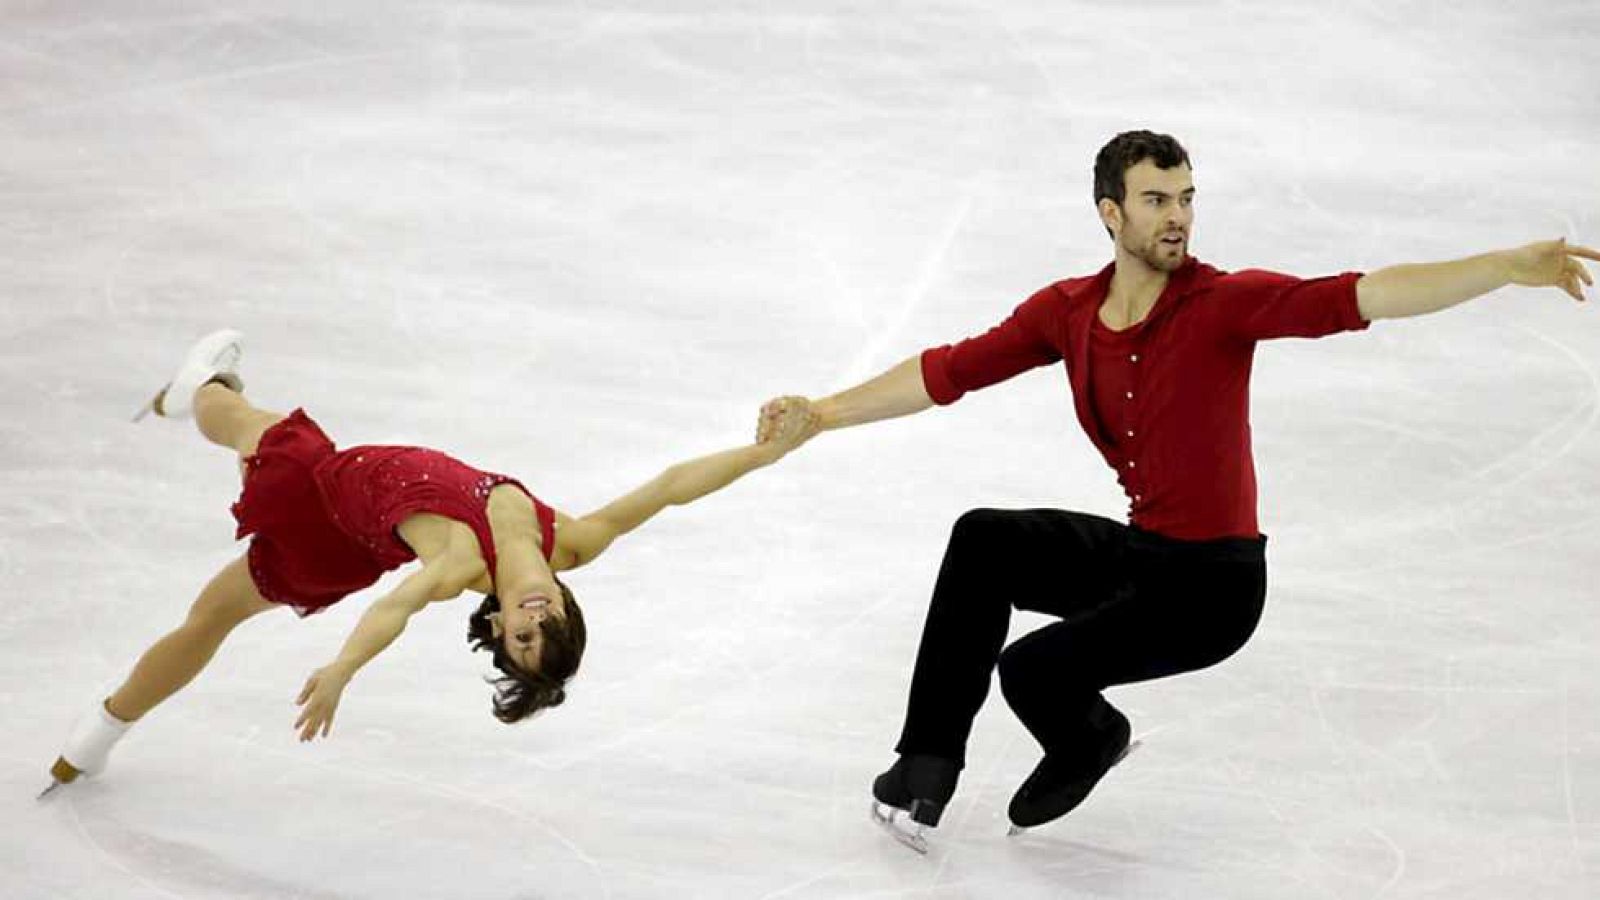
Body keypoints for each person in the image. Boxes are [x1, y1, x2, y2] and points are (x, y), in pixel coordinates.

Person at [757, 130, 1596, 851]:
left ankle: (1092, 735)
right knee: (986, 538)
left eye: (1187, 198)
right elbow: (950, 372)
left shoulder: (1226, 303)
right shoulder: (1069, 311)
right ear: (1110, 213)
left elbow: (1366, 294)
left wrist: (1505, 266)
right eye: (1156, 199)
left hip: (1214, 589)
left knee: (1030, 672)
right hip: (1142, 557)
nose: (1179, 217)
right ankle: (926, 765)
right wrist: (824, 413)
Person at [43, 329, 817, 796]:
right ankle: (94, 739)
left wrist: (343, 668)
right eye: (546, 632)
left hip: (322, 496)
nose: (533, 623)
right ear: (568, 612)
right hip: (345, 551)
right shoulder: (573, 542)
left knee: (243, 422)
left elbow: (396, 609)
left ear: (501, 624)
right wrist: (764, 452)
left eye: (521, 640)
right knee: (209, 619)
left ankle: (195, 389)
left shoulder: (457, 561)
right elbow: (672, 490)